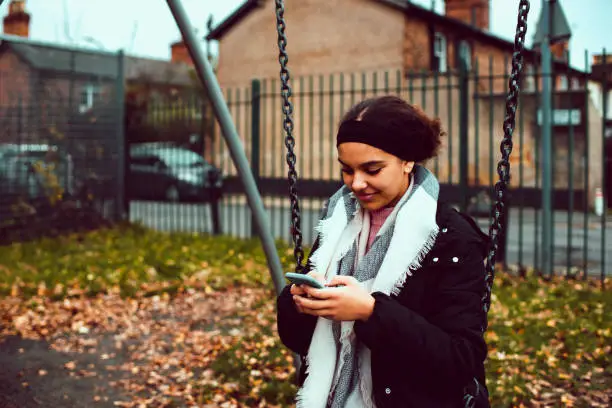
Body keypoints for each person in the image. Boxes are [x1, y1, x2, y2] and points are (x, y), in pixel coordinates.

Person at [276, 95, 490, 408]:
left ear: (408, 161)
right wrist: (299, 303)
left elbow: (461, 357)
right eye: (347, 170)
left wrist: (370, 313)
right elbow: (297, 340)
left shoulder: (451, 238)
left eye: (372, 169)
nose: (356, 184)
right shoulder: (338, 223)